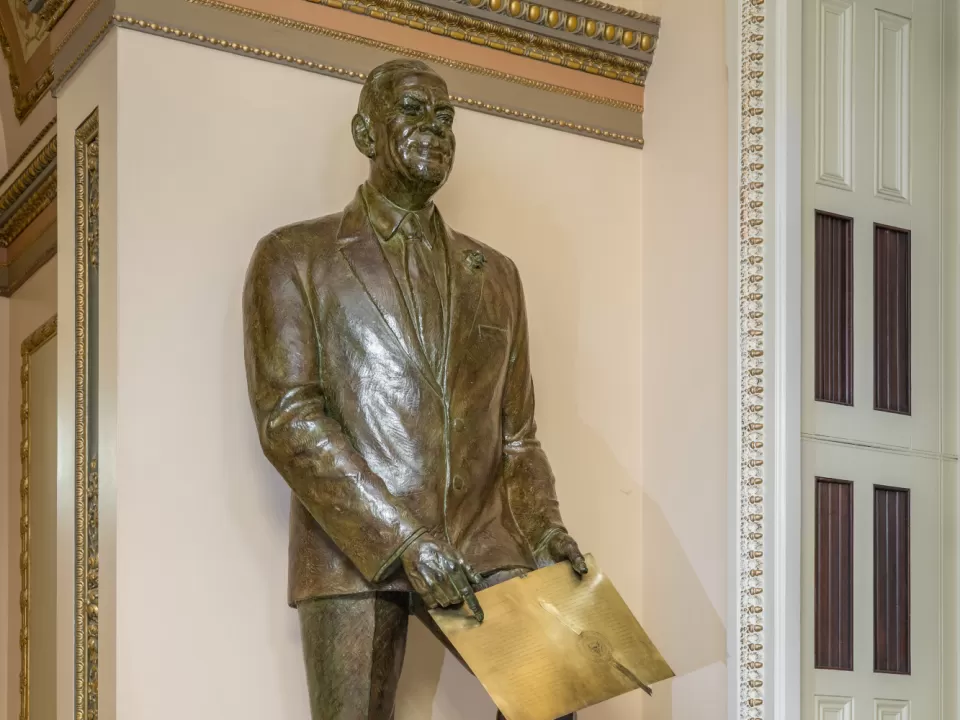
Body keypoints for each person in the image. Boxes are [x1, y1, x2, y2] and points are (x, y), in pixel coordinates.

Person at [243, 58, 584, 720]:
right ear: (365, 133)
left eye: (446, 117)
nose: (436, 128)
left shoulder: (498, 275)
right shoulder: (294, 257)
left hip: (483, 542)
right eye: (413, 111)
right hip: (353, 547)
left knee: (552, 696)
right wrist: (404, 541)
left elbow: (518, 435)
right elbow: (290, 420)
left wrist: (544, 528)